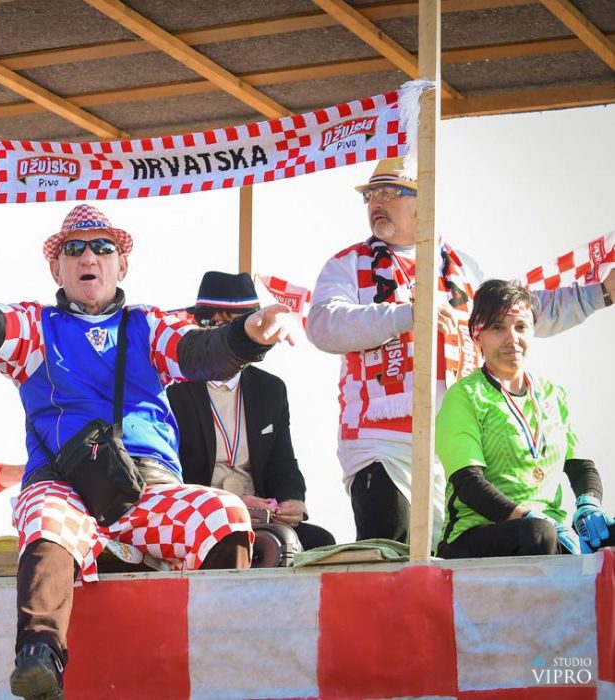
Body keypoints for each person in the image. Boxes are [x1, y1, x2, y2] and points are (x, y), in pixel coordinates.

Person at [0, 204, 296, 700]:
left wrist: (249, 334)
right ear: (57, 268)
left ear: (121, 265)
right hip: (65, 483)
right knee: (45, 515)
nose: (89, 256)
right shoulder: (36, 326)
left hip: (146, 489)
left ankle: (215, 658)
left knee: (225, 513)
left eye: (103, 247)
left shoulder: (148, 325)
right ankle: (40, 658)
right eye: (74, 248)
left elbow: (200, 352)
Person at [305, 157, 614, 543]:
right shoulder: (348, 264)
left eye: (388, 193)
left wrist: (601, 293)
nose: (376, 203)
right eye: (370, 195)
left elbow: (526, 312)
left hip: (456, 440)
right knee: (391, 550)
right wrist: (408, 314)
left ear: (424, 200)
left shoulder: (464, 268)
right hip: (380, 442)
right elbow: (322, 325)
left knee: (442, 557)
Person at [435, 280, 613, 558]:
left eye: (520, 327)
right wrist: (528, 515)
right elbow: (468, 483)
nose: (512, 338)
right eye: (498, 328)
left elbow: (581, 467)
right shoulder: (464, 395)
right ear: (477, 336)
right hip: (475, 536)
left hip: (549, 531)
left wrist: (588, 505)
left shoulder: (553, 394)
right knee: (538, 533)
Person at [168, 271, 335, 550]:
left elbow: (283, 464)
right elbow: (168, 476)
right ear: (195, 326)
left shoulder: (271, 389)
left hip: (261, 518)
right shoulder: (172, 389)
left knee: (320, 542)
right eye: (208, 322)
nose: (219, 332)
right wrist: (229, 503)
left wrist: (293, 501)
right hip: (200, 518)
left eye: (231, 324)